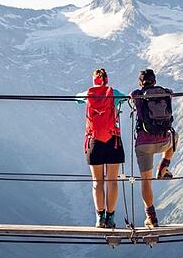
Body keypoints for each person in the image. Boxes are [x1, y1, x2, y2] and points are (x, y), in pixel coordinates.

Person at [76, 69, 128, 229]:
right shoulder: (115, 93)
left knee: (97, 182)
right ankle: (110, 218)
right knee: (112, 181)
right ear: (106, 80)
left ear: (94, 81)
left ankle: (100, 217)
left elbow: (76, 98)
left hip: (94, 142)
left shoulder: (88, 94)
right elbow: (126, 98)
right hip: (113, 142)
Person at [131, 69, 177, 228]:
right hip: (164, 140)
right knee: (175, 137)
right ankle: (163, 167)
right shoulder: (165, 92)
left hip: (144, 144)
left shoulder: (138, 94)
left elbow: (133, 97)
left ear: (140, 82)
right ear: (155, 81)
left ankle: (151, 217)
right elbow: (171, 95)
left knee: (146, 181)